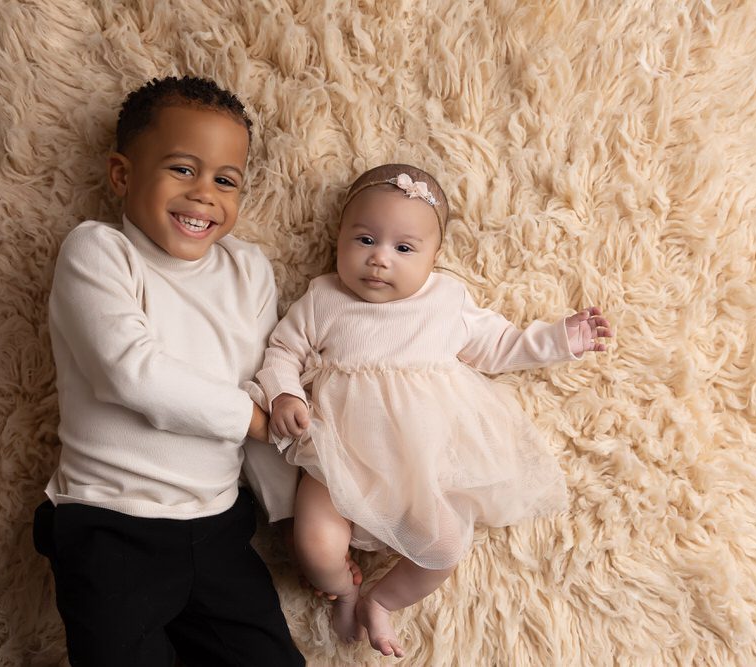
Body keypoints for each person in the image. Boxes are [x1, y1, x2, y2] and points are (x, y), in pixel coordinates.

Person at [252, 163, 614, 659]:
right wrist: (285, 395)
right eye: (364, 240)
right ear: (339, 239)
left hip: (422, 468)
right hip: (336, 461)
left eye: (404, 249)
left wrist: (558, 339)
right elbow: (282, 351)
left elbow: (499, 347)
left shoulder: (447, 300)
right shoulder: (324, 298)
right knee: (313, 547)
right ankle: (344, 591)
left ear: (434, 257)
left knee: (444, 548)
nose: (379, 259)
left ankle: (382, 600)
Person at [32, 75, 306, 667]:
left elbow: (262, 388)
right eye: (183, 169)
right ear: (122, 175)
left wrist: (287, 516)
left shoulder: (248, 270)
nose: (204, 195)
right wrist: (251, 420)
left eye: (225, 181)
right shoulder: (100, 252)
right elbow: (131, 372)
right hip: (112, 526)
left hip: (217, 525)